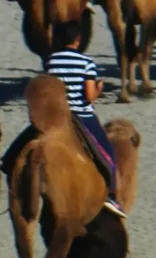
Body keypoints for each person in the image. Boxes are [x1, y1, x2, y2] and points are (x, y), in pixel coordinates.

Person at [40, 41, 124, 218]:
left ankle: (8, 162)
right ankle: (111, 194)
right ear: (78, 39)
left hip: (56, 117)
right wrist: (98, 89)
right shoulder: (86, 62)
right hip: (82, 116)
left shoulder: (51, 61)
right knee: (107, 152)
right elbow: (89, 96)